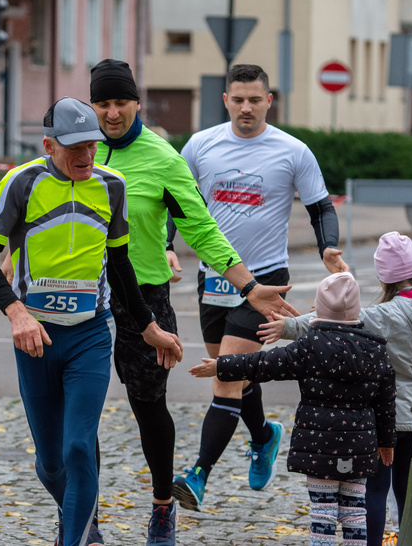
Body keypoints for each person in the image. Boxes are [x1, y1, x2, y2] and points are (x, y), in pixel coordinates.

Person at [87, 58, 298, 545]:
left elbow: (201, 228)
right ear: (91, 105)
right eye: (103, 103)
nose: (112, 113)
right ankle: (84, 516)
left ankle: (163, 506)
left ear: (137, 103)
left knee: (147, 407)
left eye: (121, 102)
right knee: (81, 413)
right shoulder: (79, 151)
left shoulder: (163, 158)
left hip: (144, 298)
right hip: (86, 297)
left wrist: (248, 286)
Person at [0, 97, 183, 546]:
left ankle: (81, 537)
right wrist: (17, 313)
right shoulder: (21, 183)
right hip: (37, 339)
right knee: (51, 464)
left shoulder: (112, 186)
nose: (86, 156)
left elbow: (120, 266)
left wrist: (148, 327)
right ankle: (77, 519)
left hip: (90, 335)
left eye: (92, 145)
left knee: (80, 447)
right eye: (74, 148)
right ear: (49, 145)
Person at [172, 63, 348, 512]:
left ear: (269, 101)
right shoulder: (200, 146)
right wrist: (166, 246)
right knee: (237, 371)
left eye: (255, 99)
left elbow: (321, 207)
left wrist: (328, 247)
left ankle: (197, 475)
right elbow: (175, 202)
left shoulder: (292, 151)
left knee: (227, 375)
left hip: (267, 280)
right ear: (225, 100)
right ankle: (265, 435)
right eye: (238, 99)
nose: (246, 107)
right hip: (213, 277)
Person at [259, 232, 412, 546]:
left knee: (375, 490)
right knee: (409, 493)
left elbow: (333, 319)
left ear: (383, 278)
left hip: (385, 417)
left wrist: (288, 326)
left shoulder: (387, 315)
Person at [192, 272, 396, 546]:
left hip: (319, 446)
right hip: (360, 446)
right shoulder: (375, 350)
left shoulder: (310, 346)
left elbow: (264, 364)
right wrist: (386, 442)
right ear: (357, 311)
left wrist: (221, 366)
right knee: (354, 511)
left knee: (322, 512)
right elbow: (386, 403)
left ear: (319, 309)